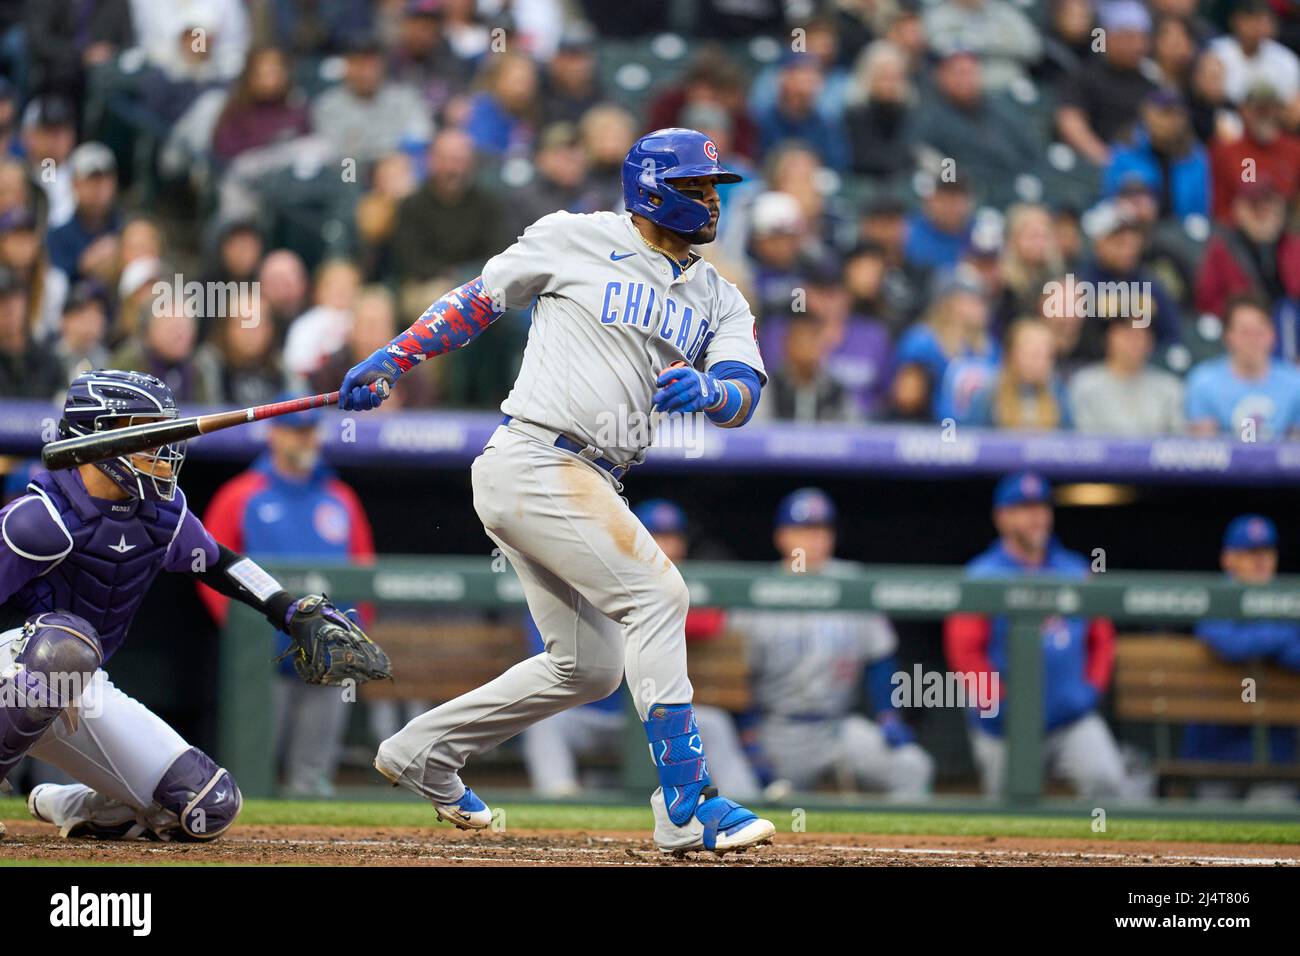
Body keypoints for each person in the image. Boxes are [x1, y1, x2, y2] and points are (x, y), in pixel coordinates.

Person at [338, 127, 775, 856]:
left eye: (713, 188)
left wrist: (711, 389)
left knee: (589, 668)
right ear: (652, 189)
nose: (710, 200)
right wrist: (395, 354)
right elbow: (480, 301)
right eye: (696, 186)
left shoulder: (719, 297)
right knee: (658, 594)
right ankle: (687, 801)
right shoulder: (574, 236)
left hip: (591, 475)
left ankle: (424, 751)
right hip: (536, 454)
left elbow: (744, 393)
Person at [3, 370, 378, 840]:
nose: (163, 446)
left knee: (207, 806)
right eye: (147, 430)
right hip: (16, 674)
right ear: (99, 436)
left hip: (81, 687)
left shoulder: (163, 515)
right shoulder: (39, 519)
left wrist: (287, 608)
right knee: (62, 649)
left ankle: (63, 803)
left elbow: (220, 563)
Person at [522, 500, 759, 800]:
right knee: (546, 722)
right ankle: (560, 801)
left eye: (672, 537)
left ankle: (746, 802)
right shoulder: (600, 574)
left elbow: (711, 621)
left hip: (658, 716)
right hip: (596, 715)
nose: (666, 546)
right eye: (656, 536)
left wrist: (653, 623)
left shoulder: (681, 587)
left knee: (714, 724)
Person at [199, 401, 375, 797]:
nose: (306, 438)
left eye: (311, 430)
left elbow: (366, 571)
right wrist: (241, 633)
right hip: (263, 661)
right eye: (296, 430)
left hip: (328, 658)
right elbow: (206, 568)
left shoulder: (339, 497)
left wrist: (353, 636)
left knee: (311, 780)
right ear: (274, 434)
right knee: (249, 774)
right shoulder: (241, 494)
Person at [728, 489, 933, 799]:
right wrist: (748, 737)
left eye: (822, 530)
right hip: (780, 731)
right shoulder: (758, 592)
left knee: (912, 766)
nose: (814, 540)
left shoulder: (852, 582)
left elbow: (880, 658)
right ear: (782, 536)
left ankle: (903, 847)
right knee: (748, 796)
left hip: (838, 726)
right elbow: (735, 676)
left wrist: (888, 716)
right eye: (804, 530)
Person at [944, 472, 1131, 798]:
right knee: (1006, 812)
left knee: (1107, 780)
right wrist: (997, 706)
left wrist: (1088, 691)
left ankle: (1097, 849)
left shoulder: (1076, 570)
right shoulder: (982, 575)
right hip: (1005, 727)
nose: (1036, 517)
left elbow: (1101, 640)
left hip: (1069, 720)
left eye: (1042, 507)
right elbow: (966, 654)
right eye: (1024, 508)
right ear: (1002, 517)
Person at [1181, 515, 1300, 802]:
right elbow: (1229, 644)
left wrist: (1261, 643)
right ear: (1228, 559)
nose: (1260, 561)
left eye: (1266, 552)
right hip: (1215, 752)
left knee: (1271, 822)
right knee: (1210, 833)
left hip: (1275, 755)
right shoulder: (1214, 597)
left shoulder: (1289, 597)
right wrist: (1279, 639)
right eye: (1249, 553)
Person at [1185, 294, 1300, 440]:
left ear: (1272, 334)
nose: (1253, 341)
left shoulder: (1296, 383)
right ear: (1227, 336)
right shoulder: (1203, 382)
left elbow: (1296, 451)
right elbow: (1204, 450)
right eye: (1245, 333)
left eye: (1259, 332)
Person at [1068, 319, 1185, 436]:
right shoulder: (1085, 385)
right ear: (1108, 337)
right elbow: (1082, 442)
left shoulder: (1169, 387)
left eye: (1142, 333)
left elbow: (1177, 443)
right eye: (1126, 333)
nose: (1134, 341)